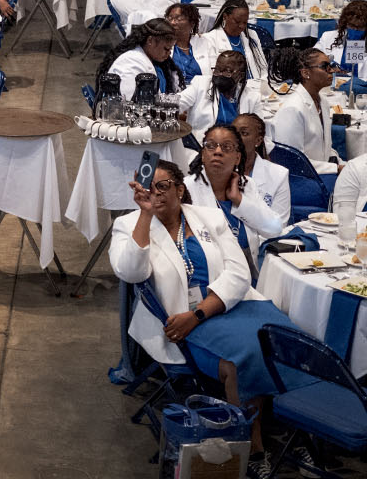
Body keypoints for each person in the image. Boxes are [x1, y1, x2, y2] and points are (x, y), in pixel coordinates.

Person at [110, 158, 310, 460]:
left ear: (180, 190)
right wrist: (144, 215)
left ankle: (300, 430)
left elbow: (240, 273)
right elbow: (130, 272)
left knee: (294, 341)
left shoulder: (210, 218)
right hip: (181, 322)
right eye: (148, 188)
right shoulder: (128, 226)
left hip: (227, 306)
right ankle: (251, 448)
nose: (155, 194)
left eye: (162, 187)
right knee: (243, 359)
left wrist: (200, 312)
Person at [184, 123, 285, 259]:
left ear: (237, 158)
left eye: (226, 147)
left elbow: (275, 229)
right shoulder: (187, 188)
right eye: (211, 145)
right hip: (211, 274)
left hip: (250, 272)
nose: (218, 151)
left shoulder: (247, 185)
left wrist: (240, 201)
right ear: (203, 155)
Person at [268, 47, 341, 176]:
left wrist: (341, 164)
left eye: (331, 66)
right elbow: (293, 162)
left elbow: (325, 148)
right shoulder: (292, 109)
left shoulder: (323, 102)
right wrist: (335, 169)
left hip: (319, 173)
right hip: (299, 181)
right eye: (325, 66)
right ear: (305, 73)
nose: (332, 71)